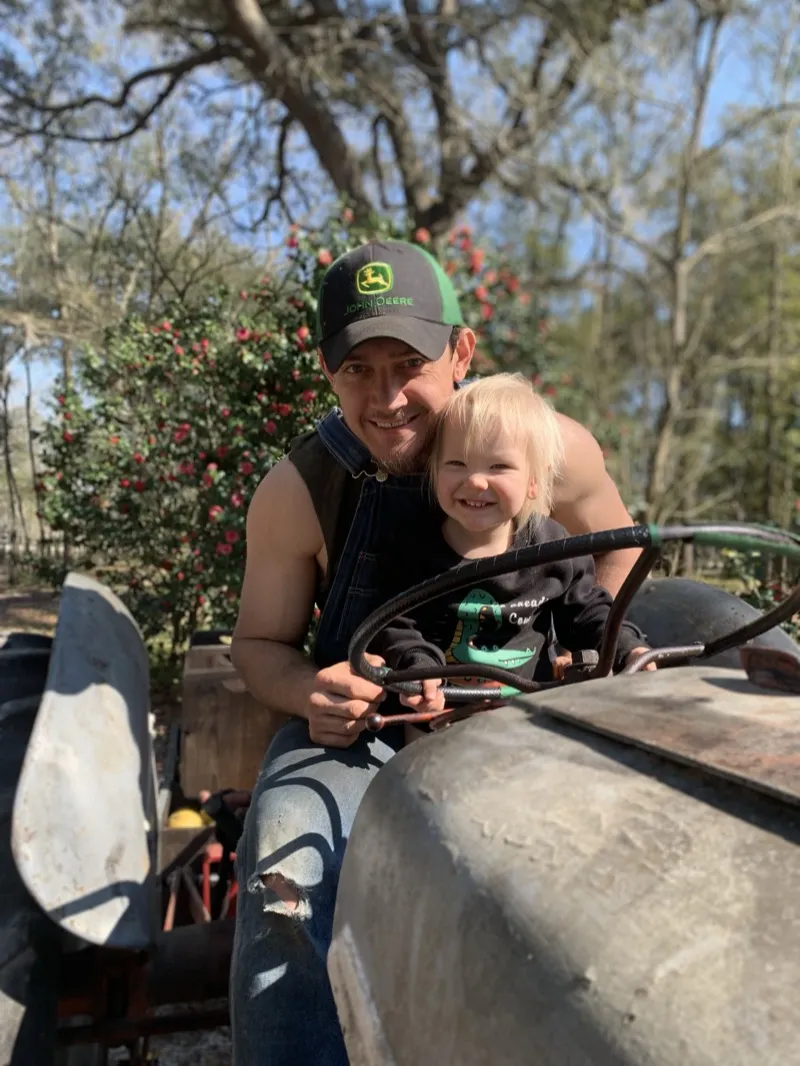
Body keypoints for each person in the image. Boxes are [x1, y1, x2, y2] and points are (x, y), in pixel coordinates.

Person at [228, 238, 645, 1066]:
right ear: (327, 371)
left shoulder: (545, 450)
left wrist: (583, 659)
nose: (386, 398)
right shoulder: (300, 490)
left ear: (460, 352)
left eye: (409, 363)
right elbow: (257, 648)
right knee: (285, 851)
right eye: (359, 370)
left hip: (531, 715)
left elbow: (620, 551)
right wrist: (317, 690)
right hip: (373, 730)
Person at [370, 373, 652, 723]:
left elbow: (587, 613)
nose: (474, 480)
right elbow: (396, 626)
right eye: (456, 464)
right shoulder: (412, 549)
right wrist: (418, 668)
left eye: (499, 467)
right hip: (435, 720)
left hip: (527, 719)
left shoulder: (554, 550)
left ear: (534, 481)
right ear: (433, 471)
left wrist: (626, 646)